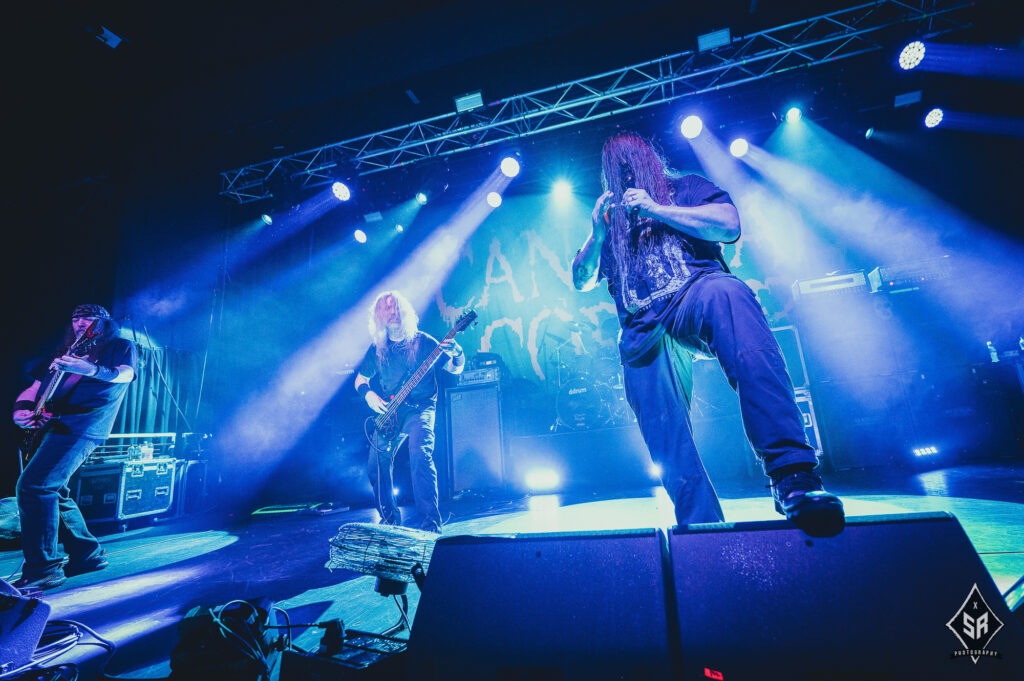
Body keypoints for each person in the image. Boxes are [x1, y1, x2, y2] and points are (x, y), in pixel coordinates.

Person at [571, 131, 844, 536]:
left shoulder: (684, 188)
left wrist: (658, 209)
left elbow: (729, 225)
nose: (625, 174)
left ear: (649, 160)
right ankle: (700, 524)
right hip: (642, 325)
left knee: (729, 294)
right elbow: (580, 279)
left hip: (693, 294)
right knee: (660, 420)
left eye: (631, 163)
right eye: (617, 168)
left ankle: (792, 476)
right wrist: (596, 233)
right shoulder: (610, 223)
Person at [12, 304, 139, 591]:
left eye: (88, 318)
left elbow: (125, 375)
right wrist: (20, 410)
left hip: (85, 425)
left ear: (104, 323)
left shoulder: (120, 345)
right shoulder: (65, 351)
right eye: (76, 318)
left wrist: (90, 369)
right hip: (56, 424)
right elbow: (34, 388)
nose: (80, 322)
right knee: (55, 489)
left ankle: (44, 569)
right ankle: (87, 554)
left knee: (34, 487)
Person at [354, 291, 465, 534]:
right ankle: (390, 521)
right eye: (386, 310)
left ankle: (431, 525)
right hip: (391, 413)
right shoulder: (378, 349)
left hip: (420, 410)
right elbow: (360, 379)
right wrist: (369, 395)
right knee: (376, 465)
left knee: (420, 456)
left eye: (395, 308)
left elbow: (455, 369)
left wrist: (458, 353)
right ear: (379, 317)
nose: (391, 313)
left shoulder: (423, 342)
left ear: (404, 312)